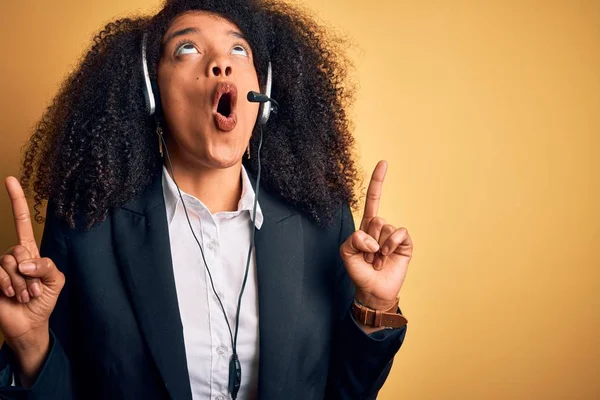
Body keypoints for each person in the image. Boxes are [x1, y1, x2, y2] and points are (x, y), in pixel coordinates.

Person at [0, 0, 413, 398]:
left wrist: (374, 306)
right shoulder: (85, 227)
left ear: (262, 94)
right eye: (188, 48)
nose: (221, 62)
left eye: (238, 48)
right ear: (150, 91)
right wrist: (30, 345)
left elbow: (346, 393)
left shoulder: (323, 221)